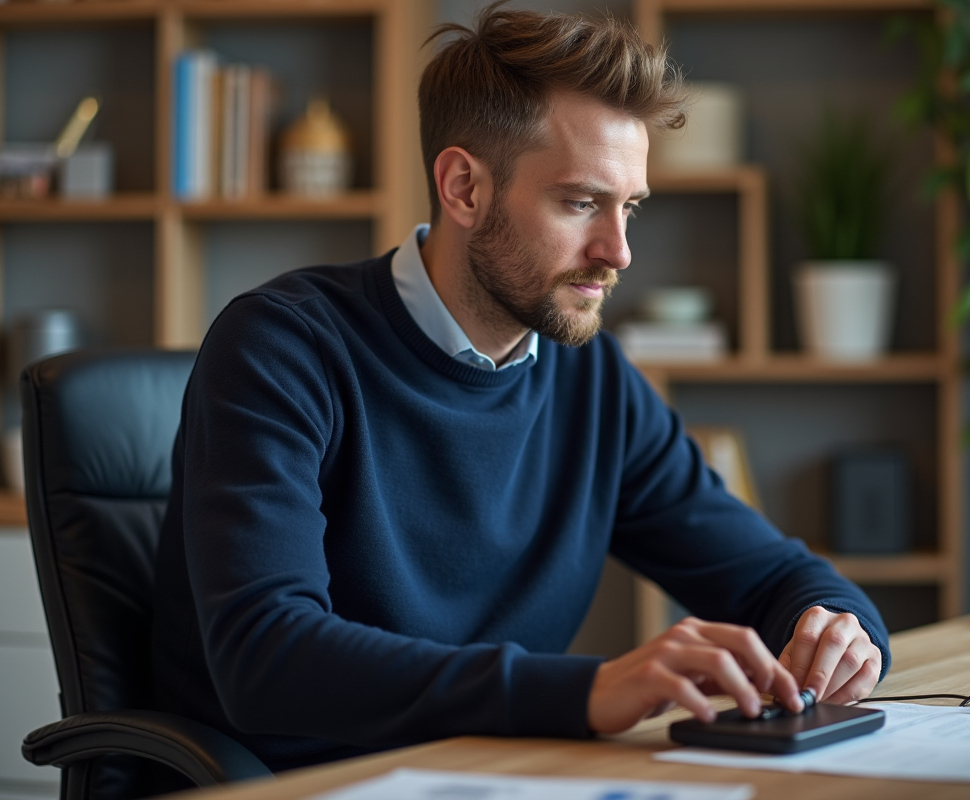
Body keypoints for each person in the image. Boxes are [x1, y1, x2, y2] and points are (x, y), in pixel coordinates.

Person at [151, 3, 890, 773]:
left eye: (628, 206)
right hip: (292, 784)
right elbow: (265, 657)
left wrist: (836, 630)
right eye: (580, 203)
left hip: (486, 777)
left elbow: (771, 574)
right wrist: (587, 692)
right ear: (463, 188)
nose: (620, 252)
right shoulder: (282, 347)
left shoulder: (595, 381)